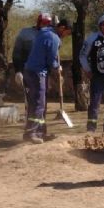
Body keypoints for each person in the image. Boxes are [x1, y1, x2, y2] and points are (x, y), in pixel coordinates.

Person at [22, 16, 72, 144]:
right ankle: (32, 133)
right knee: (38, 104)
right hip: (37, 73)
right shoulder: (53, 38)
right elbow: (50, 60)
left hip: (30, 71)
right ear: (62, 28)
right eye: (67, 32)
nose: (67, 35)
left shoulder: (44, 32)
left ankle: (40, 132)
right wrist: (57, 67)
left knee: (37, 104)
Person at [12, 13, 52, 88]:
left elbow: (51, 53)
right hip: (28, 71)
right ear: (38, 22)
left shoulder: (50, 35)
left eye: (48, 24)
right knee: (30, 95)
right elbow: (16, 53)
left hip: (43, 72)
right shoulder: (25, 33)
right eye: (43, 23)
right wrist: (18, 70)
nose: (45, 25)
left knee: (42, 96)